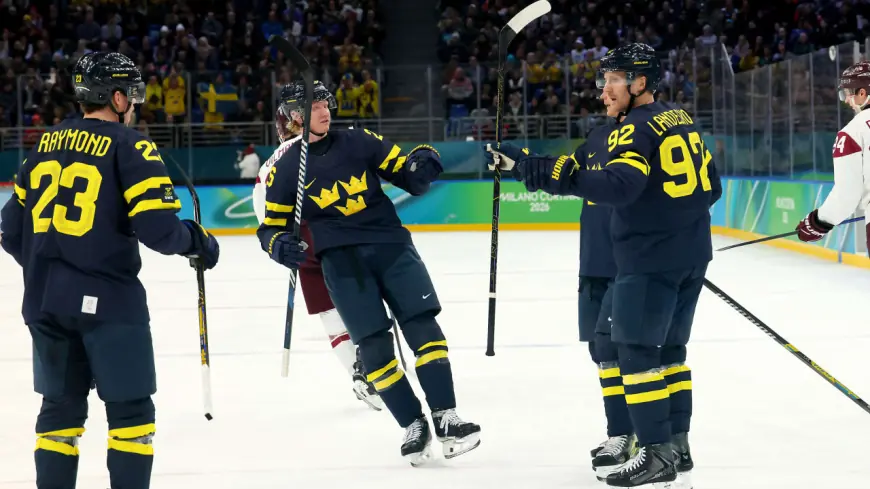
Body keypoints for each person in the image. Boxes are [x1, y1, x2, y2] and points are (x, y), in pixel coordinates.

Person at [485, 43, 721, 488]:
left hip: (648, 260)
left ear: (640, 83)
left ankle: (656, 455)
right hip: (688, 256)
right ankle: (677, 446)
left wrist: (547, 175)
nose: (603, 90)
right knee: (669, 353)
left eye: (613, 80)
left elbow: (619, 186)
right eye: (603, 80)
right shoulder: (680, 119)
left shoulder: (634, 128)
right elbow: (712, 189)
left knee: (633, 352)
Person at [0, 52, 219, 489]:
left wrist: (56, 267)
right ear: (116, 97)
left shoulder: (43, 145)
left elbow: (9, 231)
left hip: (43, 302)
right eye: (131, 94)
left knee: (60, 414)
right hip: (110, 306)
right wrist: (199, 242)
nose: (134, 104)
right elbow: (159, 231)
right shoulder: (130, 145)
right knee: (131, 416)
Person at [257, 79, 480, 466]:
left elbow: (406, 172)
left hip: (392, 248)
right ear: (295, 116)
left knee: (424, 328)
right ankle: (413, 424)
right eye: (314, 107)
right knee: (375, 350)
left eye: (327, 103)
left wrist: (422, 163)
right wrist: (277, 245)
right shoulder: (286, 167)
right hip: (341, 265)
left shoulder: (359, 140)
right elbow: (270, 227)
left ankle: (446, 416)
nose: (325, 111)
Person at [252, 83, 382, 411]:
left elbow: (264, 214)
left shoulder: (272, 161)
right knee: (366, 302)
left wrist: (279, 242)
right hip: (340, 236)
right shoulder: (321, 148)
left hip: (305, 244)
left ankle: (360, 373)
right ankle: (376, 365)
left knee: (330, 315)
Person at [796, 60, 870, 254]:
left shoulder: (853, 132)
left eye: (847, 93)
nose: (846, 100)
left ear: (862, 93)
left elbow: (847, 195)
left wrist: (817, 223)